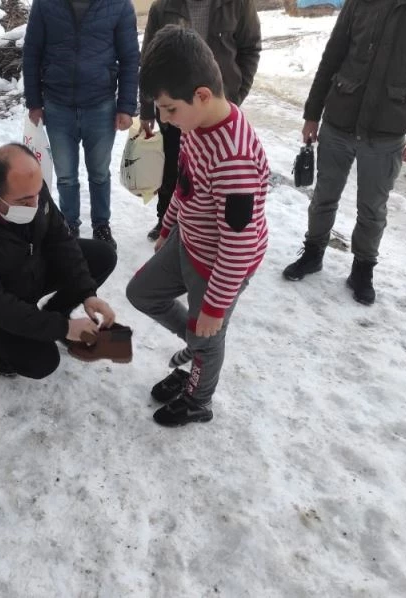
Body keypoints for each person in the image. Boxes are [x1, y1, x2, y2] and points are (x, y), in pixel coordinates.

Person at [126, 25, 269, 427]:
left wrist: (214, 308)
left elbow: (238, 247)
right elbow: (185, 186)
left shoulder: (233, 159)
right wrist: (169, 228)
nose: (166, 120)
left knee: (209, 332)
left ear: (202, 95)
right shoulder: (197, 126)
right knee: (142, 292)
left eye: (170, 109)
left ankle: (198, 398)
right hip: (189, 240)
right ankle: (197, 350)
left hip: (222, 262)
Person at [282, 0, 406, 305]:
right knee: (324, 196)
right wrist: (312, 114)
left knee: (372, 208)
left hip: (387, 129)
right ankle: (313, 253)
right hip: (339, 118)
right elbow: (333, 56)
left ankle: (362, 270)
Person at [0, 143, 118, 379]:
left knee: (102, 256)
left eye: (37, 194)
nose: (35, 205)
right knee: (41, 363)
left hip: (31, 266)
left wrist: (86, 292)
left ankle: (55, 313)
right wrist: (63, 328)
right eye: (24, 201)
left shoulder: (28, 185)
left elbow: (60, 240)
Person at [22, 0, 140, 250]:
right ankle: (69, 224)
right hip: (57, 104)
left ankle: (101, 225)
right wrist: (34, 101)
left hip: (101, 105)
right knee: (65, 175)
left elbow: (130, 57)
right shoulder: (45, 4)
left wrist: (126, 106)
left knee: (98, 172)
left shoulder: (118, 5)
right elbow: (32, 52)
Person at [140, 0, 261, 241]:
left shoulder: (238, 4)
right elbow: (148, 63)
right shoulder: (162, 8)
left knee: (208, 175)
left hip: (210, 105)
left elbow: (250, 49)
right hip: (177, 105)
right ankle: (167, 219)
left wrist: (233, 96)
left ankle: (204, 230)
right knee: (174, 166)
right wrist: (148, 109)